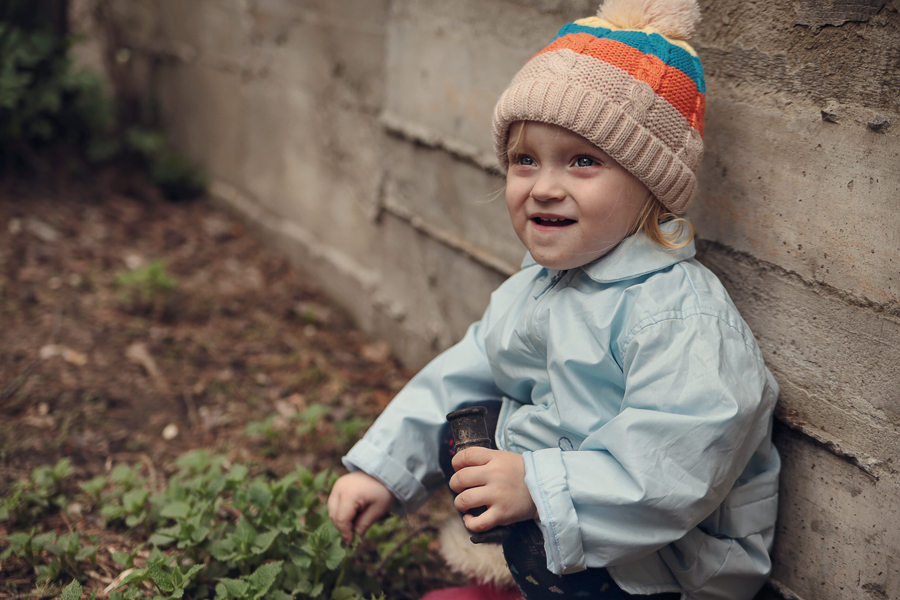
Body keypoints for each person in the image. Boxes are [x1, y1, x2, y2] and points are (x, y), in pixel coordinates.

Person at [328, 0, 780, 598]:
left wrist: (537, 486)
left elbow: (672, 476)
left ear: (650, 183)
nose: (544, 187)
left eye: (582, 161)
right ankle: (526, 579)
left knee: (517, 470)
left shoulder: (678, 316)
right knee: (463, 426)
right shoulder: (536, 288)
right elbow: (459, 375)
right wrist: (384, 470)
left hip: (669, 566)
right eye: (525, 160)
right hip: (575, 513)